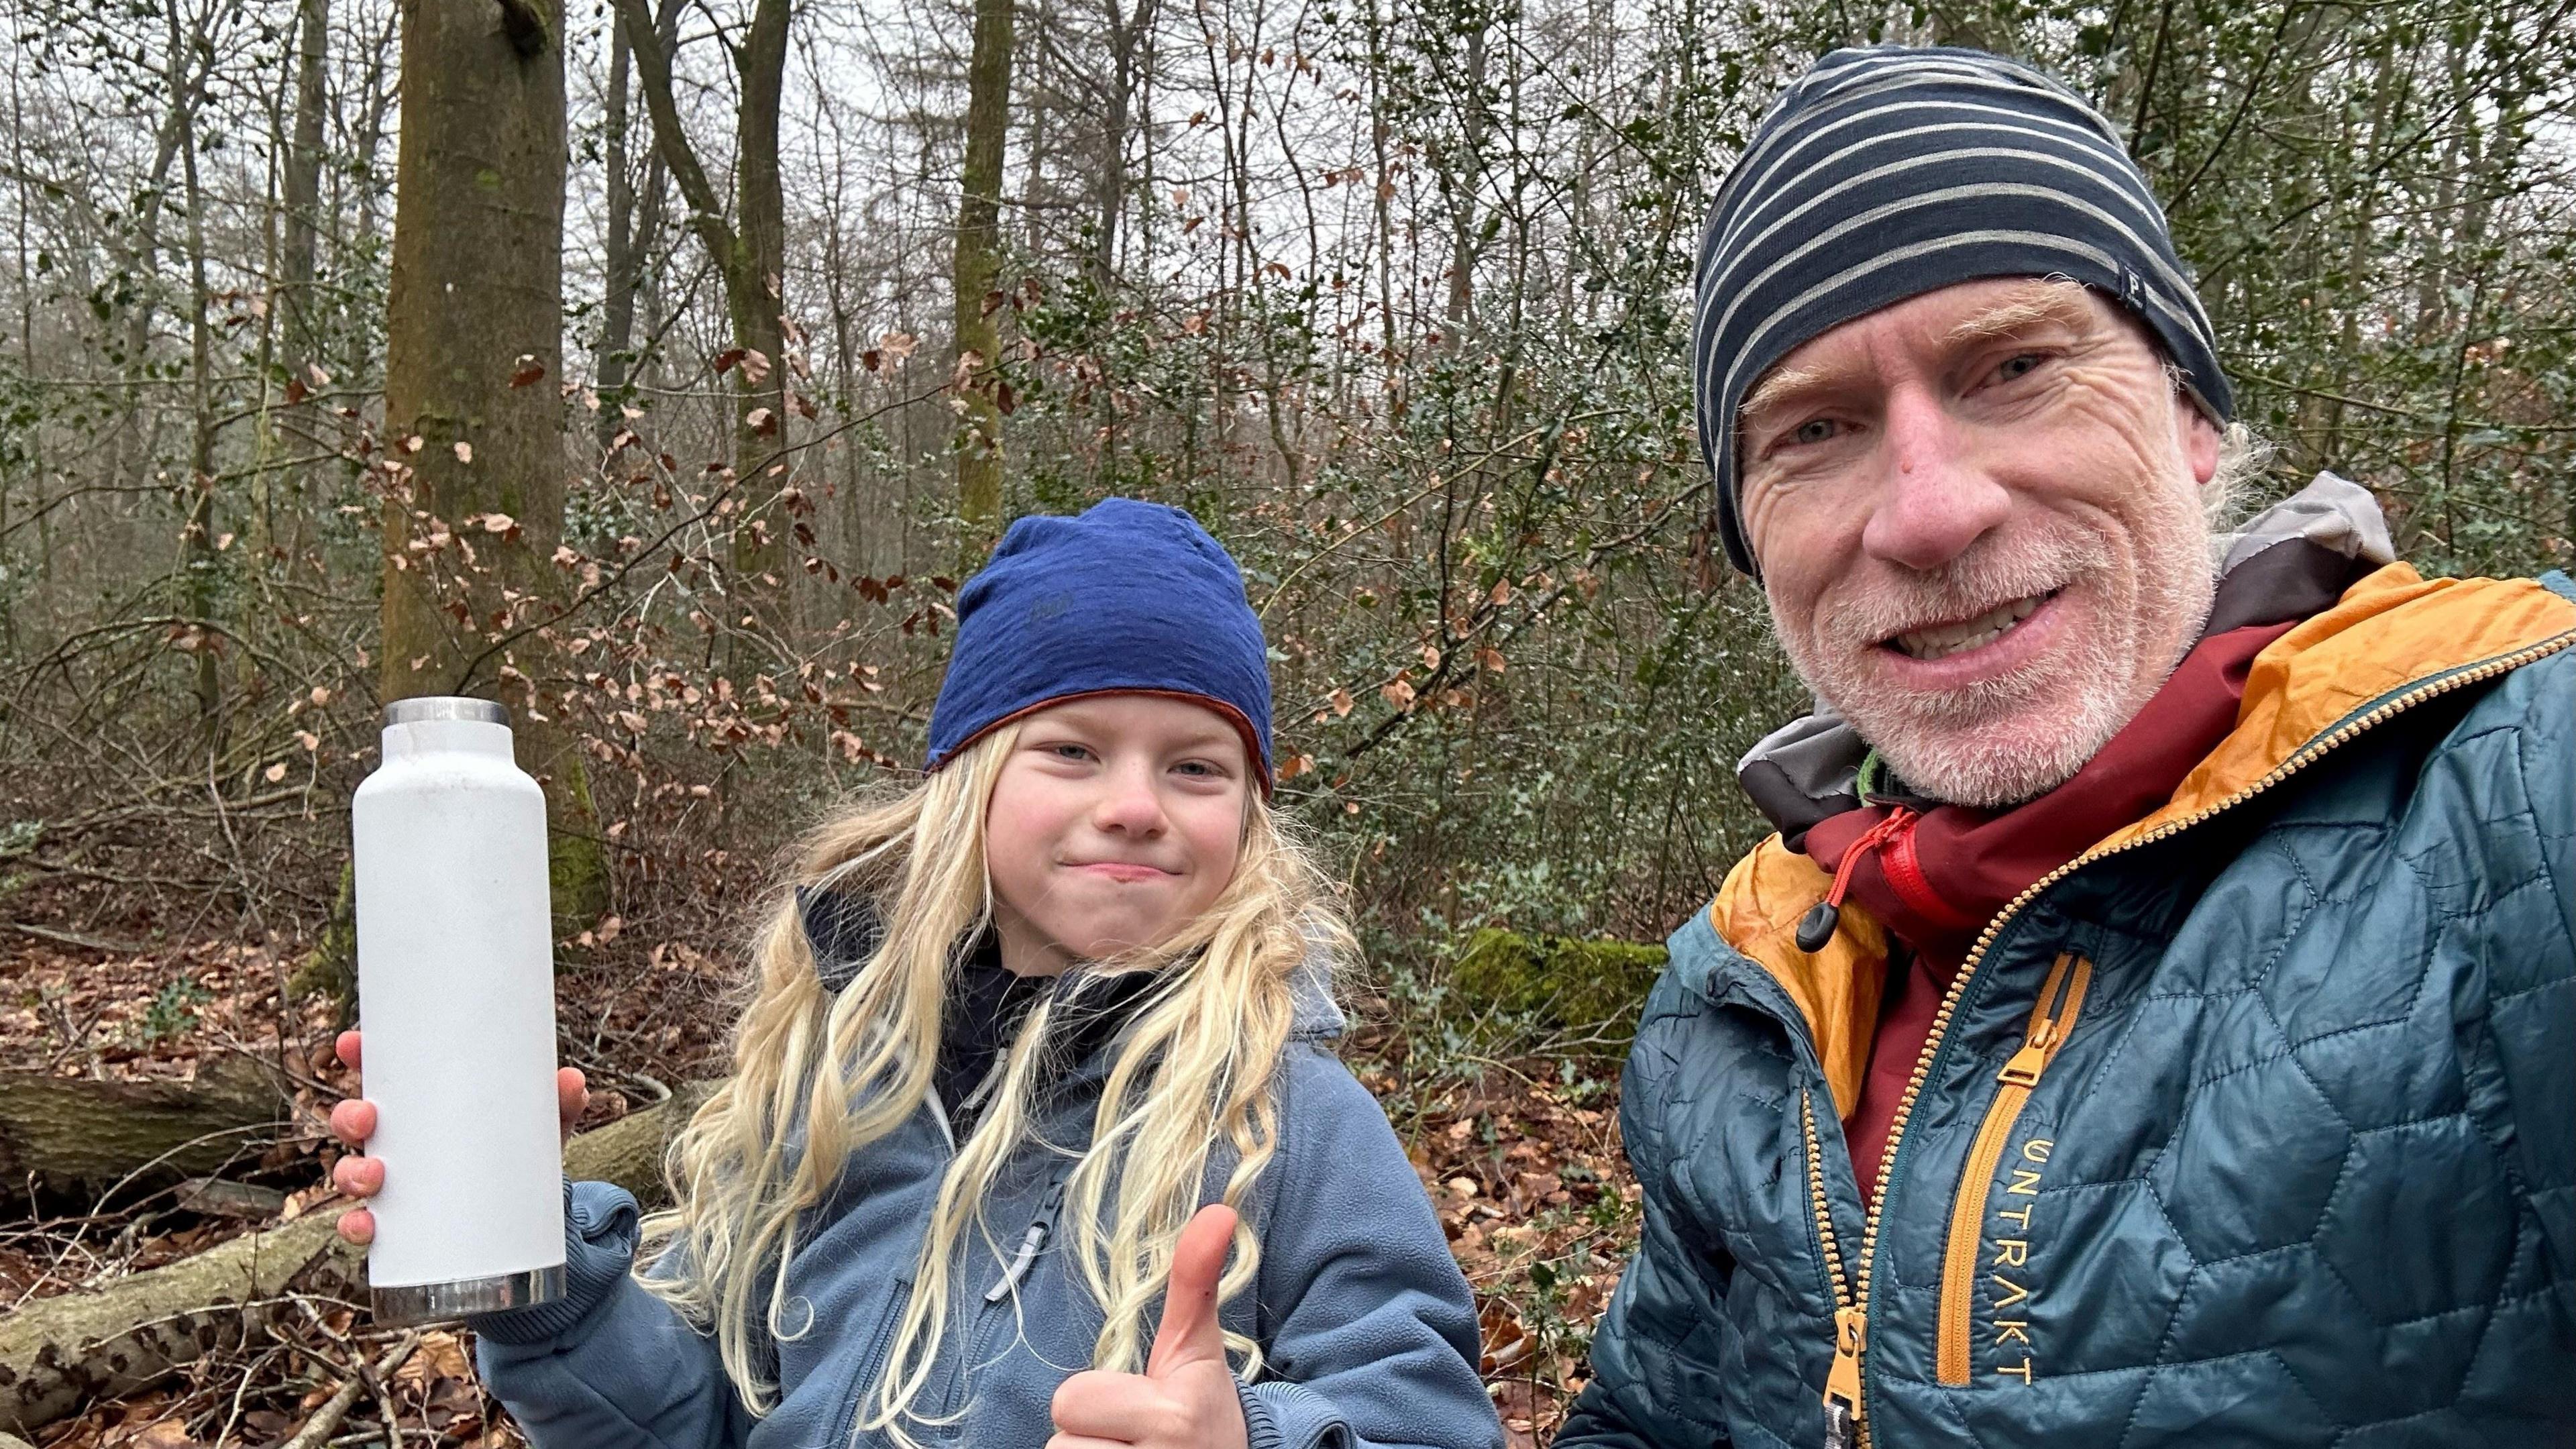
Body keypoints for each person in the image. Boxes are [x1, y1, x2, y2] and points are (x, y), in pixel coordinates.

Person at [1557, 44, 2576, 1449]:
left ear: (2192, 416)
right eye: (1816, 429)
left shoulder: (2524, 788)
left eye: (2017, 366)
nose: (1927, 511)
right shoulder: (1747, 987)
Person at [329, 498, 1505, 1449]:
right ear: (967, 784)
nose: (1136, 806)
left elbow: (1435, 1421)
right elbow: (695, 1417)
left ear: (1249, 818)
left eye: (1196, 766)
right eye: (1072, 750)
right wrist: (541, 1275)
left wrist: (1249, 1437)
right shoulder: (836, 1087)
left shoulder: (1291, 1127)